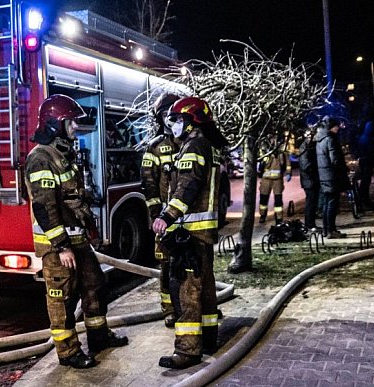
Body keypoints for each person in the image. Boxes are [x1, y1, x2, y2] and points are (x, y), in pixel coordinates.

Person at [25, 94, 128, 369]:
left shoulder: (61, 154)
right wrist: (61, 245)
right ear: (54, 124)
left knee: (95, 285)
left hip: (77, 240)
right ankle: (68, 351)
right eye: (70, 123)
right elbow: (44, 207)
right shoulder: (40, 159)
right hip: (59, 247)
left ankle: (98, 337)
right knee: (62, 299)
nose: (75, 128)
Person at [152, 96, 227, 369]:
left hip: (190, 233)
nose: (173, 125)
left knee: (186, 292)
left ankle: (187, 350)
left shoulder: (194, 146)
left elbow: (188, 186)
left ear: (191, 121)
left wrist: (166, 215)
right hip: (203, 232)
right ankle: (209, 337)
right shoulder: (207, 145)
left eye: (178, 120)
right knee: (205, 288)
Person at [140, 93, 181, 328]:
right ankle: (169, 308)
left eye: (173, 115)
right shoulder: (154, 148)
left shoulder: (187, 142)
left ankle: (190, 305)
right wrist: (157, 216)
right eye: (166, 115)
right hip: (165, 221)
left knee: (188, 265)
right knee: (166, 267)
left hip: (187, 219)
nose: (170, 119)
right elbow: (149, 185)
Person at [316, 116, 350, 239]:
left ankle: (326, 230)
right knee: (332, 204)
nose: (337, 129)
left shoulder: (320, 140)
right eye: (336, 126)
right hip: (332, 176)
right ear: (331, 127)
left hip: (324, 176)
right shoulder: (330, 139)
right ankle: (331, 230)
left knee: (326, 203)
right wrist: (344, 168)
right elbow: (335, 159)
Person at [257, 136, 292, 224]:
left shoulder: (282, 148)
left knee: (278, 200)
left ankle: (279, 217)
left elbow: (287, 161)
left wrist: (288, 172)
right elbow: (260, 162)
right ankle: (262, 215)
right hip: (266, 179)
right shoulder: (264, 148)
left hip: (277, 179)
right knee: (263, 200)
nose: (273, 140)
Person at [297, 115, 321, 232]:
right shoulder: (305, 147)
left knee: (313, 202)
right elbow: (306, 165)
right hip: (309, 180)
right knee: (310, 202)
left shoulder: (310, 146)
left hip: (311, 179)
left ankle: (311, 224)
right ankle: (309, 224)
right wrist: (316, 169)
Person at [356, 120, 374, 210]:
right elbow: (371, 152)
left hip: (363, 161)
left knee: (364, 182)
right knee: (366, 181)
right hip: (367, 162)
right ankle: (364, 200)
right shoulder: (369, 139)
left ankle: (362, 199)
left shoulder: (362, 137)